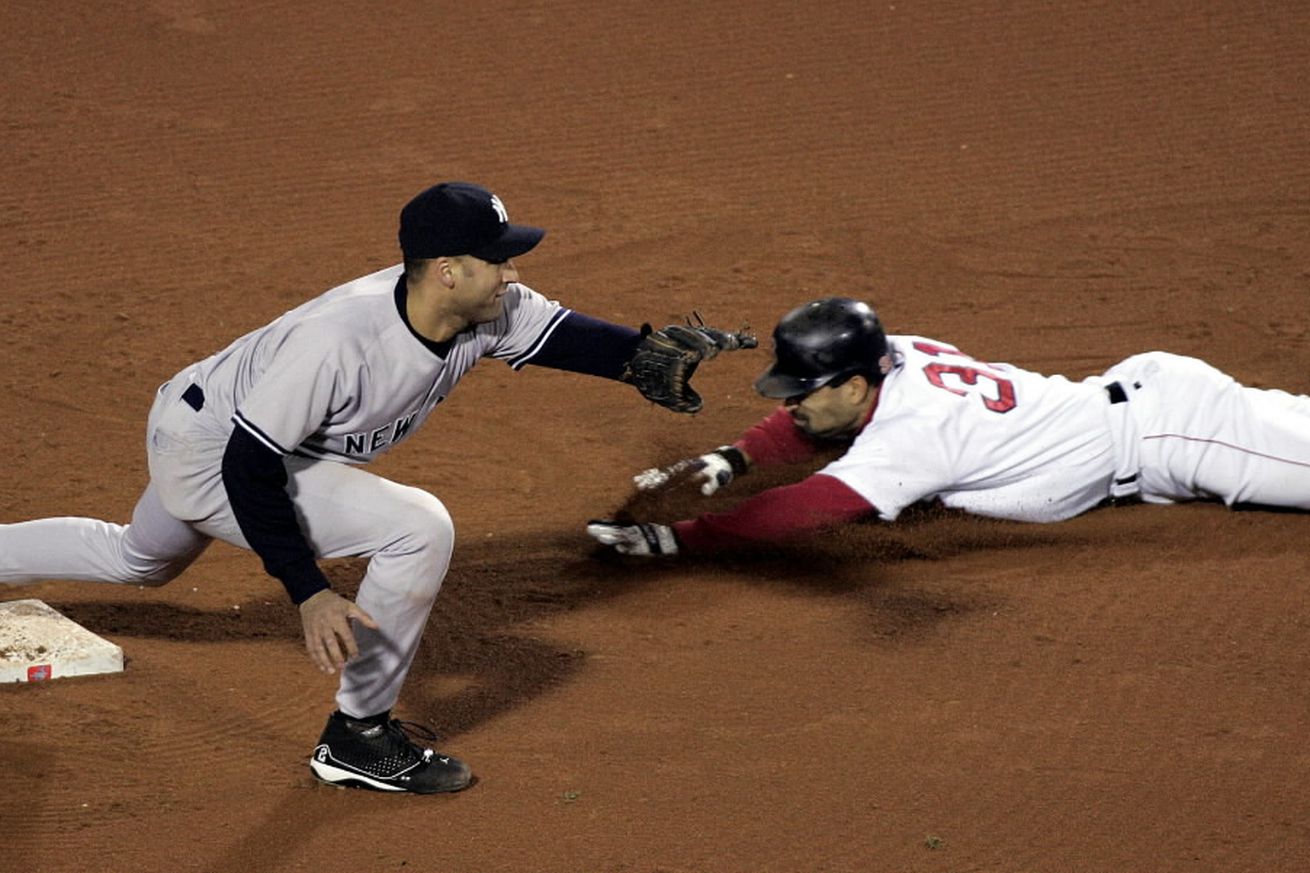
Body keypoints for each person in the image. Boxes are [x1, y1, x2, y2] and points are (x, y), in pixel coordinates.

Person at [0, 181, 752, 795]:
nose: (515, 273)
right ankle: (357, 738)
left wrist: (638, 360)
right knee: (417, 526)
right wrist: (308, 588)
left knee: (142, 559)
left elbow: (564, 337)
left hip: (219, 426)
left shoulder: (484, 309)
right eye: (500, 260)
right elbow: (247, 469)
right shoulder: (341, 342)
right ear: (447, 268)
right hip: (212, 451)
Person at [587, 297, 1310, 557]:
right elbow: (808, 426)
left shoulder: (914, 435)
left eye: (806, 389)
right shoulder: (904, 352)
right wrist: (735, 456)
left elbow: (803, 509)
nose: (793, 404)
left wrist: (680, 537)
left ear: (858, 382)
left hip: (1177, 433)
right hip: (1154, 403)